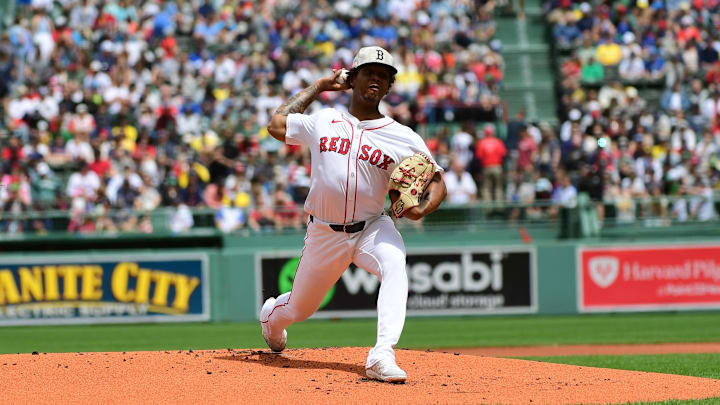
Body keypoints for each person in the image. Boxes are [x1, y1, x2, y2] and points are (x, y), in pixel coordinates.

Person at [263, 46, 446, 383]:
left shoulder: (403, 136)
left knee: (394, 264)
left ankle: (382, 354)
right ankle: (271, 320)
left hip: (372, 227)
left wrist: (421, 209)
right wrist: (318, 87)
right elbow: (275, 125)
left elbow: (437, 181)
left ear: (389, 86)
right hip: (324, 233)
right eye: (369, 72)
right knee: (299, 309)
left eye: (383, 75)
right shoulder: (325, 120)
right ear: (352, 78)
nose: (376, 78)